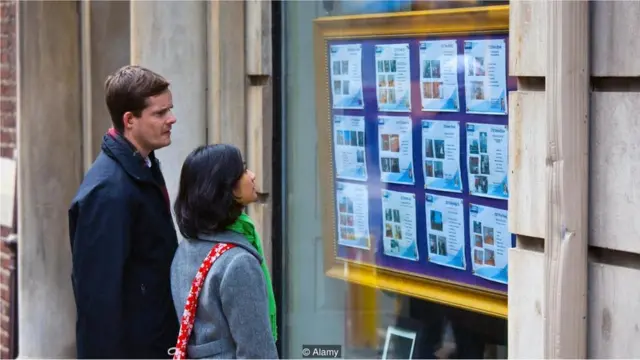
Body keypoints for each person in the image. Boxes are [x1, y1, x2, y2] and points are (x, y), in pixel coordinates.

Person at [68, 65, 179, 358]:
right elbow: (97, 302)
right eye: (159, 113)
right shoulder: (108, 192)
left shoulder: (143, 165)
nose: (172, 119)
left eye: (170, 109)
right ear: (129, 120)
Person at [170, 144, 278, 359]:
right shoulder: (238, 263)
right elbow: (257, 352)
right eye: (243, 171)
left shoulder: (185, 249)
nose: (253, 176)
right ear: (225, 188)